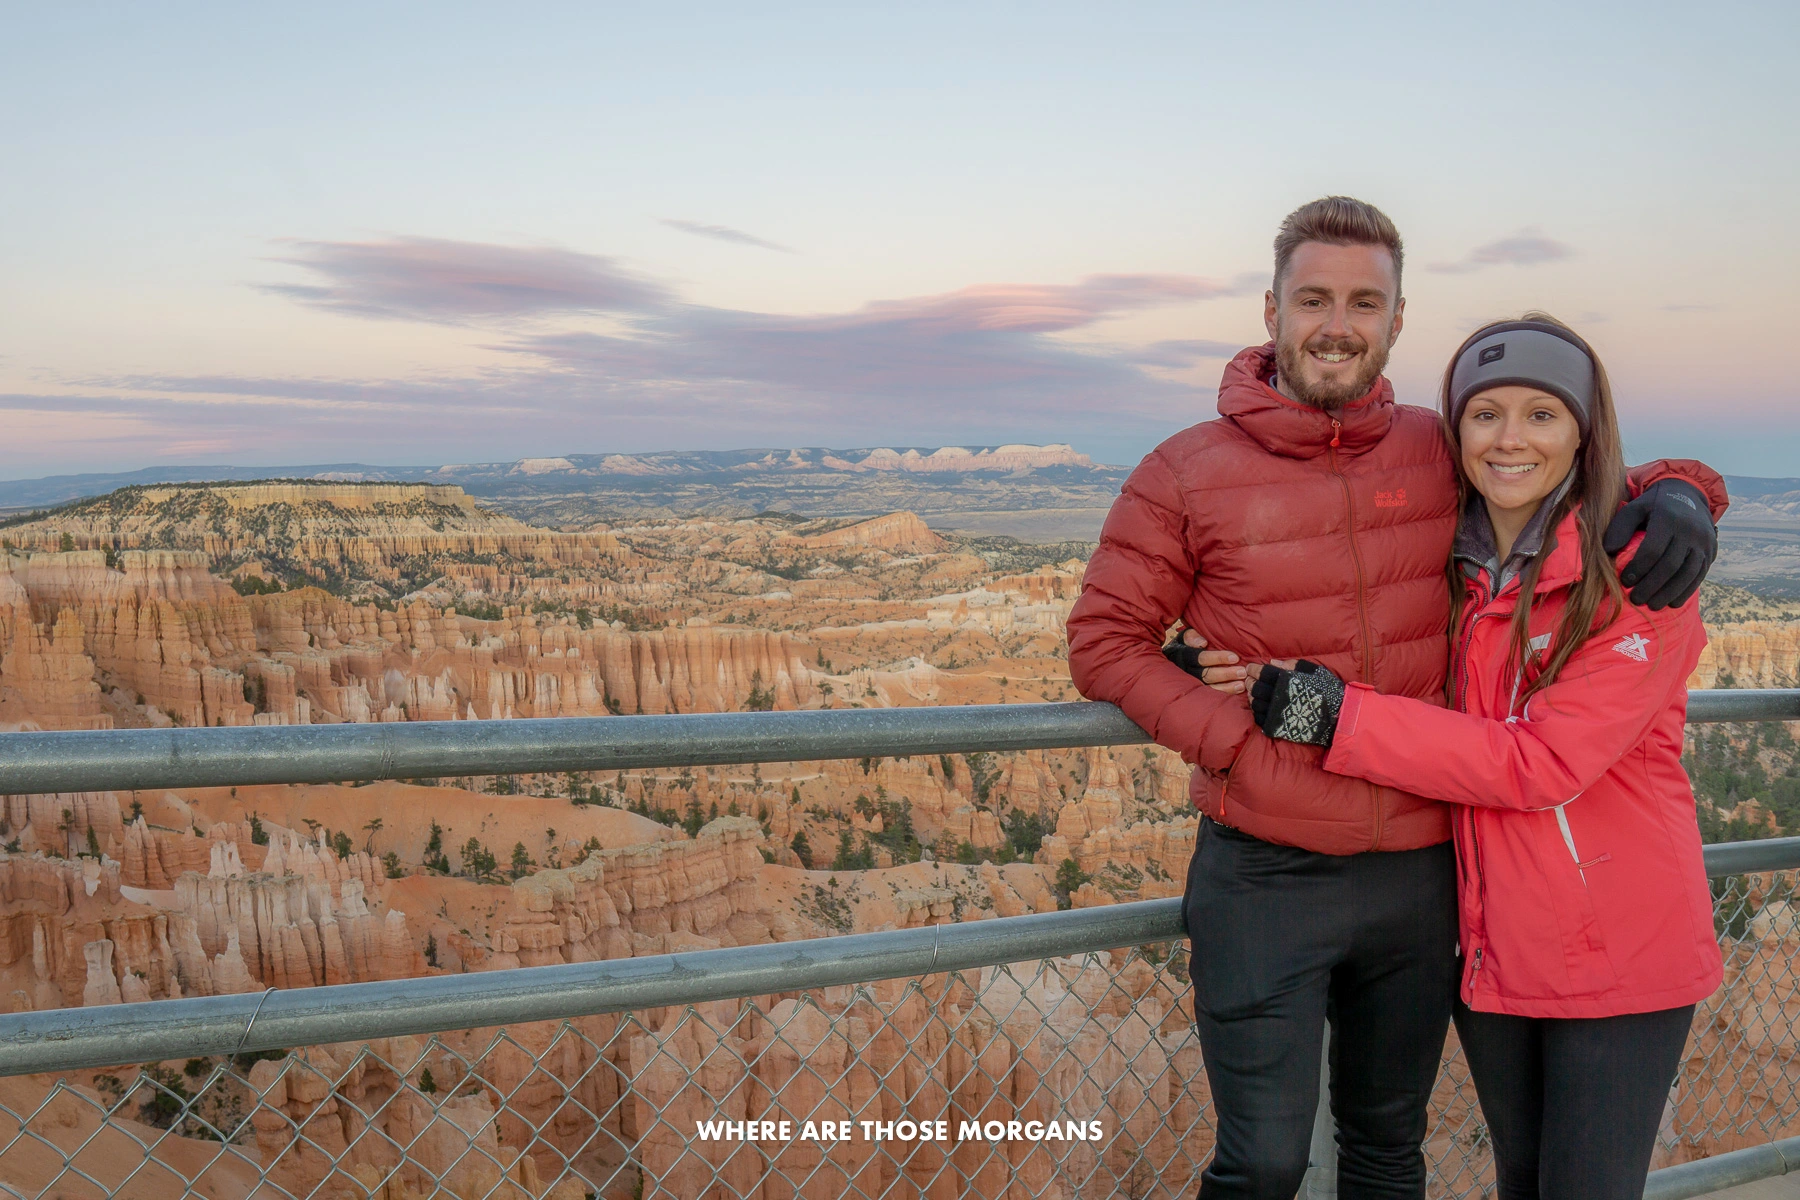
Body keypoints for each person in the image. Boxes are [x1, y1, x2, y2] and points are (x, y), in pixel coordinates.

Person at [1063, 196, 1723, 1200]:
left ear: (1397, 319)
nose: (1338, 323)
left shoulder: (1433, 446)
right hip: (1268, 872)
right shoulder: (1184, 472)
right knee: (1265, 1162)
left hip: (1421, 877)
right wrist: (1233, 739)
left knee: (1386, 1153)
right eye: (1315, 298)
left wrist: (1684, 489)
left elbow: (1558, 463)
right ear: (1272, 308)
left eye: (1364, 302)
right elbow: (1106, 642)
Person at [1234, 314, 1722, 1199]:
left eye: (1543, 414)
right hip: (1494, 942)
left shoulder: (1640, 575)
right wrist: (1218, 648)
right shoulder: (1450, 563)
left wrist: (1334, 718)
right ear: (1454, 431)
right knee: (1523, 1182)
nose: (1509, 439)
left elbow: (1539, 766)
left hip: (1620, 947)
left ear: (1584, 429)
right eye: (1485, 413)